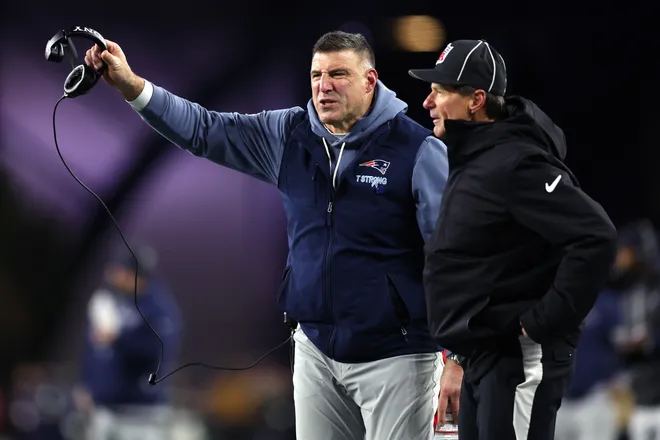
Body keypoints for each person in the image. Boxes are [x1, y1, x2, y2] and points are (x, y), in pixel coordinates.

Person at [84, 30, 461, 440]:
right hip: (316, 351)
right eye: (316, 75)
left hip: (398, 356)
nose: (324, 86)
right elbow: (203, 129)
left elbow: (454, 258)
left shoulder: (418, 150)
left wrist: (459, 357)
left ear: (370, 81)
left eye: (338, 74)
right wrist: (132, 86)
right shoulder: (288, 135)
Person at [408, 39, 617, 440]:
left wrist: (541, 323)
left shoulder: (516, 161)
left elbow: (596, 236)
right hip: (482, 357)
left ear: (476, 100)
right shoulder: (473, 160)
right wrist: (459, 359)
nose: (427, 103)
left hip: (517, 359)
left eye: (440, 91)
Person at [74, 245, 182, 440]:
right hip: (105, 409)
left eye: (120, 269)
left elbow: (156, 352)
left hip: (140, 413)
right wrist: (87, 383)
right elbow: (94, 350)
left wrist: (118, 339)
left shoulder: (159, 309)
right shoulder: (109, 301)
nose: (113, 274)